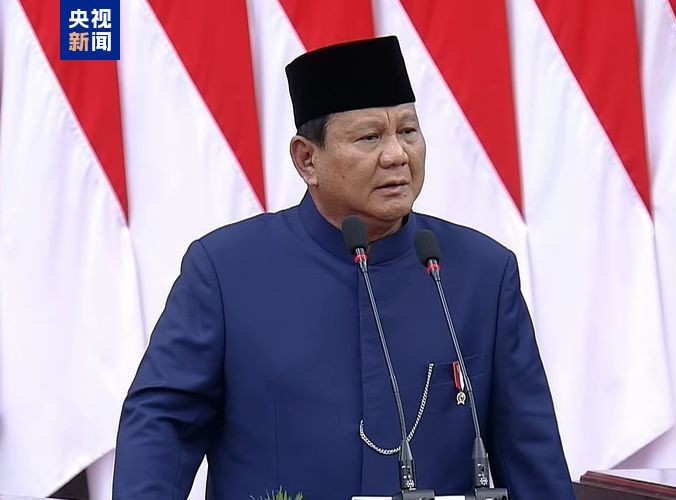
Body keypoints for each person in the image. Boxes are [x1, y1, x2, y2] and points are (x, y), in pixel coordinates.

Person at [113, 36, 574, 499]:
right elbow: (161, 427)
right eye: (370, 137)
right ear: (307, 159)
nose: (397, 155)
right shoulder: (226, 271)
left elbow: (530, 452)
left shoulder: (482, 273)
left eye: (408, 132)